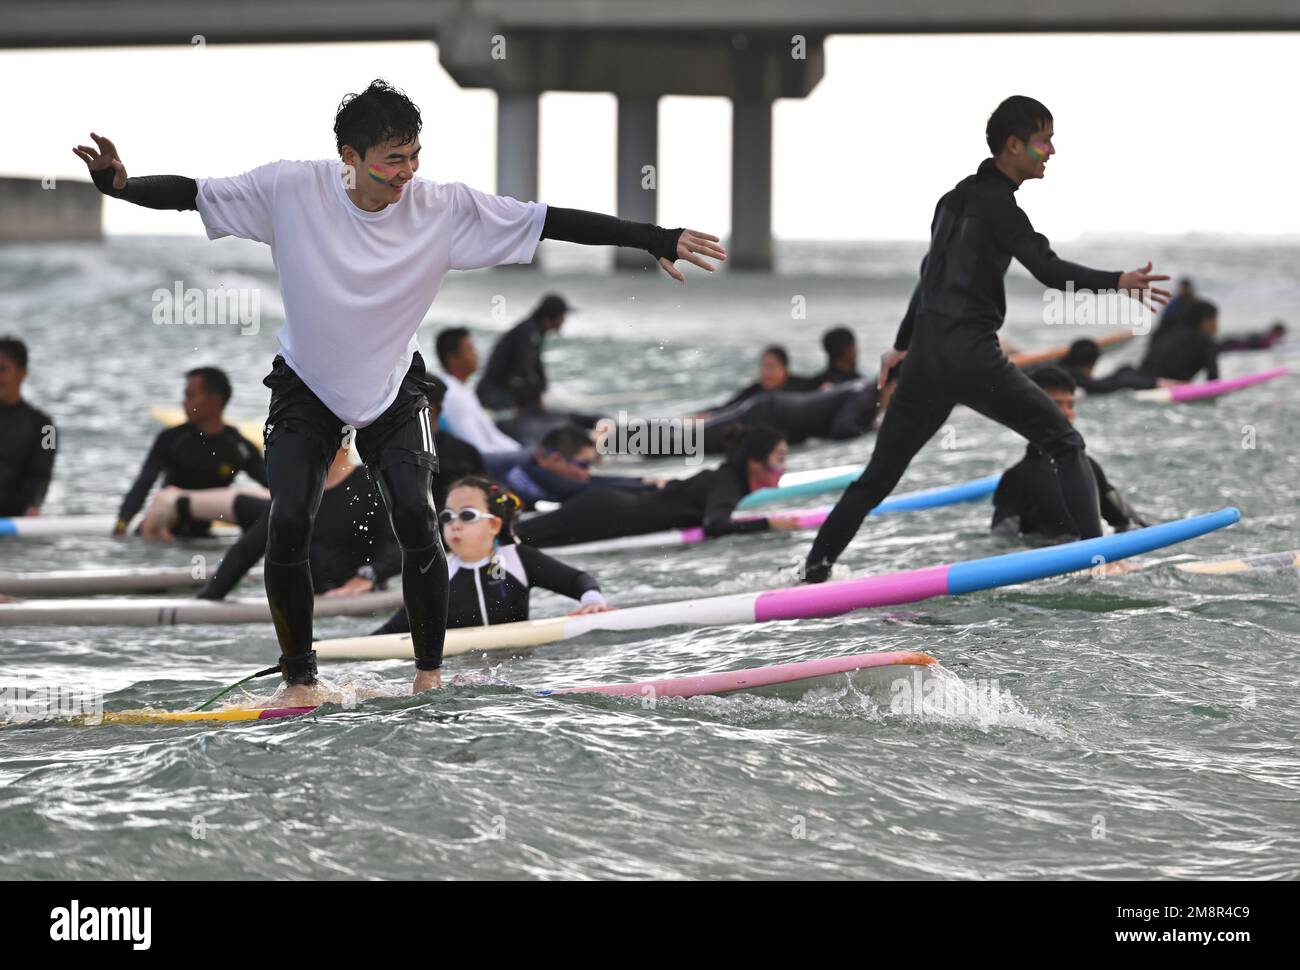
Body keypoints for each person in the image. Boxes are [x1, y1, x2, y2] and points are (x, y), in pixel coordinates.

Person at [77, 78, 724, 699]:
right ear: (349, 158)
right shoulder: (290, 189)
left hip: (393, 383)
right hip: (307, 384)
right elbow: (193, 193)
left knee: (418, 517)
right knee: (290, 520)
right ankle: (299, 678)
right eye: (393, 160)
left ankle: (428, 673)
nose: (408, 173)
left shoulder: (441, 208)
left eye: (416, 155)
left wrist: (654, 238)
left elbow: (549, 220)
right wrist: (123, 186)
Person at [801, 95, 1169, 583]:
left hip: (926, 361)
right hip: (972, 358)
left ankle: (813, 573)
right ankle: (1096, 561)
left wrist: (901, 344)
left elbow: (928, 275)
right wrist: (1117, 281)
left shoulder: (950, 201)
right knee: (1066, 442)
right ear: (1013, 146)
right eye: (1044, 142)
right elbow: (1049, 270)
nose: (1052, 151)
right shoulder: (1002, 209)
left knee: (876, 478)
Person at [372, 476, 610, 635]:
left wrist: (592, 601)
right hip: (461, 675)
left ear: (494, 525)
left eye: (467, 516)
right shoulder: (436, 574)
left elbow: (576, 580)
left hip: (522, 668)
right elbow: (393, 630)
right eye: (446, 517)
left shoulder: (517, 559)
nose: (454, 525)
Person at [514, 425, 800, 547]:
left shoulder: (724, 479)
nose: (783, 466)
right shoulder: (728, 484)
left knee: (525, 537)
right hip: (607, 512)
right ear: (754, 461)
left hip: (610, 508)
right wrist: (769, 523)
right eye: (779, 458)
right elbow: (716, 524)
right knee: (518, 538)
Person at [193, 446, 402, 599]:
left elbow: (401, 546)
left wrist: (369, 576)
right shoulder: (295, 493)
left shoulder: (370, 484)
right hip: (311, 605)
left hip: (361, 605)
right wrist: (208, 598)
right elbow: (245, 552)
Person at [992, 367, 1147, 540]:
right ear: (1031, 409)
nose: (1067, 413)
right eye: (1056, 404)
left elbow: (1131, 524)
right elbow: (1001, 545)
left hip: (1093, 560)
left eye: (1070, 405)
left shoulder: (1089, 468)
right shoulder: (1016, 479)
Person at [114, 367, 266, 537]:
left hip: (203, 537)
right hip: (162, 533)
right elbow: (143, 484)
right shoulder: (172, 439)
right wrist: (121, 526)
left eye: (191, 395)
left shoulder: (238, 446)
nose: (184, 402)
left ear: (216, 400)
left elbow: (271, 485)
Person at [700, 368, 898, 454]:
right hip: (768, 414)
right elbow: (842, 429)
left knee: (701, 438)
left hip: (772, 411)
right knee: (699, 440)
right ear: (891, 384)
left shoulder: (864, 389)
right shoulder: (865, 397)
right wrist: (873, 430)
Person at [435, 327, 528, 474]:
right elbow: (477, 448)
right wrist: (523, 456)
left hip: (492, 455)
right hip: (484, 463)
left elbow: (492, 434)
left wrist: (518, 450)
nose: (476, 354)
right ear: (452, 358)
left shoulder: (462, 389)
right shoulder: (454, 395)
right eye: (469, 349)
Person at [502, 423, 658, 510]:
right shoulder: (532, 470)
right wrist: (646, 485)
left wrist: (641, 481)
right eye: (584, 464)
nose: (587, 472)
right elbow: (584, 490)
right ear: (556, 459)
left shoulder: (534, 465)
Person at [476, 293, 570, 411]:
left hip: (497, 391)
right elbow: (524, 370)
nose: (564, 320)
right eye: (562, 316)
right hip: (494, 394)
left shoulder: (534, 330)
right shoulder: (530, 333)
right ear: (551, 316)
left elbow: (534, 368)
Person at [0, 336, 56, 517]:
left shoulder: (46, 427)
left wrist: (34, 504)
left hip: (15, 520)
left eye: (2, 370)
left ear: (22, 373)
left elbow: (43, 475)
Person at [701, 345, 816, 414]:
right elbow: (728, 407)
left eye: (771, 367)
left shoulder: (801, 385)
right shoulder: (756, 390)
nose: (766, 373)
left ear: (785, 369)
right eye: (764, 366)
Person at [1139, 300, 1220, 382]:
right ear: (1206, 321)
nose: (1216, 327)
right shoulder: (1206, 342)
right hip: (1166, 388)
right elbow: (1213, 380)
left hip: (1142, 379)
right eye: (1215, 320)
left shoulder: (1171, 331)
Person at [1056, 339, 1172, 395]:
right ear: (1092, 363)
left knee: (1125, 371)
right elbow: (1104, 386)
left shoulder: (1061, 368)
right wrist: (1154, 383)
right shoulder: (1072, 379)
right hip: (1138, 378)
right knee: (1125, 374)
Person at [1219, 320, 1288, 353]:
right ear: (1278, 332)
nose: (1283, 335)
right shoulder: (1269, 340)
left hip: (1236, 342)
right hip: (1237, 345)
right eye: (1282, 333)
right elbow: (1265, 345)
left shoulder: (1266, 335)